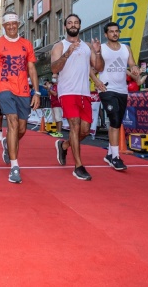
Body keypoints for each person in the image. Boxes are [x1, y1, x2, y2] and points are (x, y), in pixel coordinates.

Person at [0, 11, 39, 184]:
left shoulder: (26, 44)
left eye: (14, 23)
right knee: (12, 123)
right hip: (4, 88)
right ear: (4, 26)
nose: (12, 26)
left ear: (18, 24)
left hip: (22, 89)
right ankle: (15, 167)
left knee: (21, 129)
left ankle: (8, 143)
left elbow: (31, 69)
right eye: (8, 24)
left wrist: (36, 92)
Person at [51, 14, 103, 180]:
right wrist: (67, 54)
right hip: (67, 92)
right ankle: (78, 166)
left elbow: (99, 67)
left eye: (76, 23)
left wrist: (98, 52)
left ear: (80, 25)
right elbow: (54, 69)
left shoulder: (87, 46)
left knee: (85, 130)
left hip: (84, 93)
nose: (73, 25)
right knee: (74, 125)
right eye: (69, 23)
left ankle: (64, 145)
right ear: (65, 26)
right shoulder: (59, 46)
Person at [90, 22, 139, 171]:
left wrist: (135, 68)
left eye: (116, 31)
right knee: (115, 119)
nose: (114, 34)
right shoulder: (101, 49)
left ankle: (110, 153)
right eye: (111, 32)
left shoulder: (126, 48)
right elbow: (90, 69)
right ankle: (115, 157)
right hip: (106, 88)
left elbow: (132, 64)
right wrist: (97, 81)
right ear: (106, 34)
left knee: (116, 122)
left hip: (122, 90)